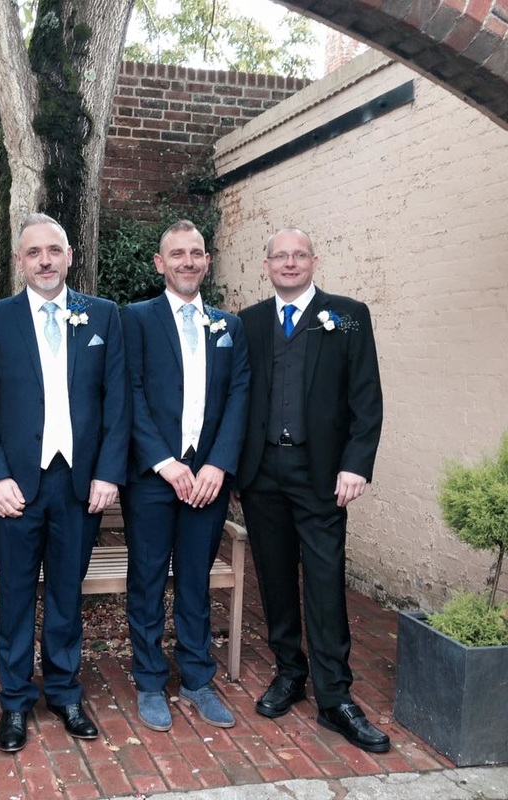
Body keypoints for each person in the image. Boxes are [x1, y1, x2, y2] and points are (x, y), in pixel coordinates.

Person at [0, 212, 130, 752]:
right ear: (19, 261)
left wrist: (108, 473)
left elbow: (117, 404)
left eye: (54, 250)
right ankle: (15, 700)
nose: (44, 261)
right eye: (34, 252)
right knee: (15, 593)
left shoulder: (103, 315)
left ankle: (63, 691)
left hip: (79, 486)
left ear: (69, 256)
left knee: (66, 592)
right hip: (16, 487)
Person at [236, 228, 389, 753]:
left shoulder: (347, 315)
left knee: (324, 580)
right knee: (274, 577)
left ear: (314, 261)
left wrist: (356, 465)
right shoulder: (249, 322)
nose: (290, 263)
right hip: (262, 473)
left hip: (321, 473)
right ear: (266, 265)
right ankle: (289, 671)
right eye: (280, 256)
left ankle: (335, 696)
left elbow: (367, 398)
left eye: (298, 255)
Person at [120, 220, 250, 732]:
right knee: (148, 578)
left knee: (195, 579)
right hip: (154, 477)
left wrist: (217, 464)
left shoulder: (229, 326)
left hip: (208, 480)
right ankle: (150, 680)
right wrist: (164, 461)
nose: (187, 262)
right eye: (177, 254)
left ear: (207, 261)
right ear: (160, 263)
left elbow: (239, 396)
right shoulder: (136, 319)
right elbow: (129, 392)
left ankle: (197, 679)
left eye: (196, 253)